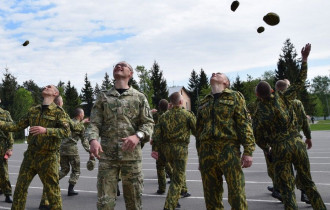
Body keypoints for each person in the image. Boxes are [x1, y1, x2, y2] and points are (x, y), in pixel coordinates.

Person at [254, 43, 326, 210]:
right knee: (308, 183)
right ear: (272, 90)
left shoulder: (259, 112)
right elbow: (300, 82)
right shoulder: (283, 98)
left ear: (257, 95)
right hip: (296, 143)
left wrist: (267, 149)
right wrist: (304, 59)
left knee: (287, 189)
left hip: (279, 148)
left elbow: (258, 137)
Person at [86, 61, 154, 210]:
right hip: (107, 157)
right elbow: (94, 123)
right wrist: (93, 140)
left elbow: (148, 124)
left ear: (130, 74)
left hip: (131, 157)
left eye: (123, 65)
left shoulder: (139, 97)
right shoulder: (103, 97)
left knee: (134, 203)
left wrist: (137, 136)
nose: (119, 66)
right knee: (105, 204)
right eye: (116, 65)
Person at [0, 85, 71, 210]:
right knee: (20, 188)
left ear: (55, 93)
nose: (46, 87)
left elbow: (66, 132)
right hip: (31, 156)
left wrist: (46, 130)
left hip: (48, 157)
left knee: (52, 192)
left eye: (50, 87)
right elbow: (16, 125)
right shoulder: (34, 110)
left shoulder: (59, 112)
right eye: (45, 86)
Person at [196, 72, 255, 210]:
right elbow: (199, 131)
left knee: (236, 194)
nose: (214, 73)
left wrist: (248, 151)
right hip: (207, 153)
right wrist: (200, 158)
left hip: (228, 150)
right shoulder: (204, 101)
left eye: (219, 74)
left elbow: (244, 124)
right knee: (211, 196)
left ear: (226, 83)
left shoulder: (235, 96)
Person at [39, 96, 91, 209]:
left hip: (62, 149)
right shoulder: (80, 126)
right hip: (72, 150)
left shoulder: (66, 121)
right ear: (80, 115)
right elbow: (84, 141)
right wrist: (90, 151)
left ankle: (52, 181)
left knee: (64, 169)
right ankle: (70, 189)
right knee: (76, 170)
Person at [153, 92, 196, 210]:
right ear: (181, 102)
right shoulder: (187, 115)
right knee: (177, 178)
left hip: (167, 150)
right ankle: (170, 204)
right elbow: (197, 131)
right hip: (180, 150)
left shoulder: (163, 116)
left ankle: (176, 197)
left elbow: (156, 135)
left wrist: (155, 149)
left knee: (176, 174)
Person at [276, 79, 312, 204]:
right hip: (296, 141)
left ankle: (284, 194)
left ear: (277, 89)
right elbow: (304, 121)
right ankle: (305, 193)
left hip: (279, 144)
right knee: (302, 169)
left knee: (283, 171)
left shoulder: (272, 103)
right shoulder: (296, 103)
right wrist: (308, 136)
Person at [151, 99, 173, 195]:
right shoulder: (171, 115)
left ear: (159, 106)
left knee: (160, 166)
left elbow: (147, 119)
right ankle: (175, 180)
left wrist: (150, 112)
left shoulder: (156, 116)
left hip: (159, 143)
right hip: (169, 142)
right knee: (168, 163)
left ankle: (162, 188)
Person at [0, 98, 14, 203]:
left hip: (1, 146)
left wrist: (10, 147)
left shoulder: (5, 114)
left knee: (3, 172)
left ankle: (8, 194)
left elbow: (10, 130)